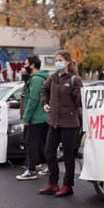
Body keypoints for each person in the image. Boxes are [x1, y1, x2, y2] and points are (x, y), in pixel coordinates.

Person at [39, 51, 83, 197]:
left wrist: (79, 94)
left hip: (69, 123)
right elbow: (44, 90)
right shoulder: (53, 78)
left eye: (60, 60)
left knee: (68, 155)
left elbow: (80, 102)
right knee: (49, 152)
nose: (57, 62)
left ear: (68, 62)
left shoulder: (74, 79)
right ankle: (53, 183)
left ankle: (67, 185)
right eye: (56, 60)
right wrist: (45, 103)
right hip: (54, 122)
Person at [16, 56, 51, 181]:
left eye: (26, 63)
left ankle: (31, 170)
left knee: (31, 143)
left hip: (36, 117)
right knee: (44, 143)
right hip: (44, 116)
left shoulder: (36, 79)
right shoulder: (42, 77)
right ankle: (50, 166)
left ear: (32, 65)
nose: (23, 66)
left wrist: (26, 117)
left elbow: (33, 99)